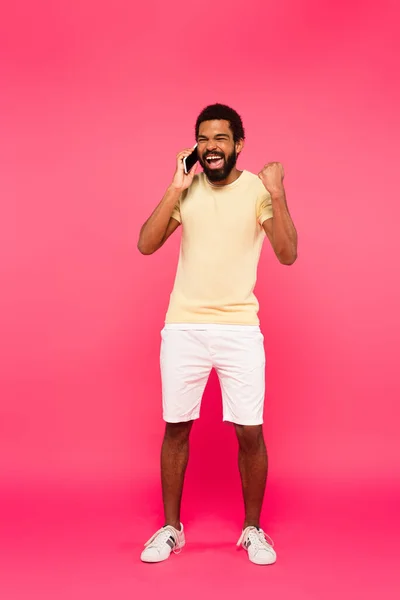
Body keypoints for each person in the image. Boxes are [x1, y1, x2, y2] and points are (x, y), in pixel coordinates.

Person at [137, 103, 298, 565]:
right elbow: (146, 244)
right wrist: (174, 187)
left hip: (239, 328)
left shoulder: (255, 191)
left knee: (250, 430)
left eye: (221, 139)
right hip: (184, 325)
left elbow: (286, 254)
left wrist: (279, 194)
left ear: (239, 145)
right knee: (176, 426)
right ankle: (172, 529)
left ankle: (253, 529)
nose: (211, 147)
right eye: (203, 139)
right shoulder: (186, 191)